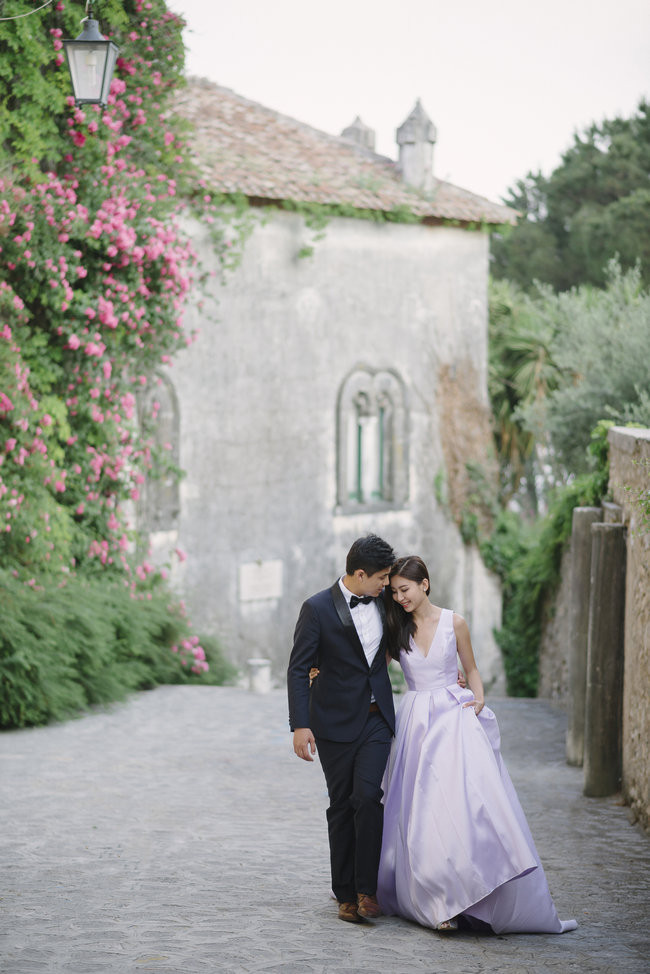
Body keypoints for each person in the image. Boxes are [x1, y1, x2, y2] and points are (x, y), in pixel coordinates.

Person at [376, 555, 577, 935]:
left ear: (425, 584)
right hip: (415, 721)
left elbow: (471, 669)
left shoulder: (455, 623)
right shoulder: (395, 628)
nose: (399, 597)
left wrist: (479, 696)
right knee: (419, 814)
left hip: (453, 720)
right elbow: (371, 667)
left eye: (404, 589)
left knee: (461, 807)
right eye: (394, 592)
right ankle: (434, 901)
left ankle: (470, 893)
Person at [287, 534, 396, 924]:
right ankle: (344, 893)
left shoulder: (386, 602)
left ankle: (367, 890)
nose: (386, 584)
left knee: (368, 797)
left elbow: (410, 638)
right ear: (360, 574)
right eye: (381, 578)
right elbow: (299, 667)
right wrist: (300, 725)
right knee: (341, 804)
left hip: (376, 719)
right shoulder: (315, 608)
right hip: (331, 722)